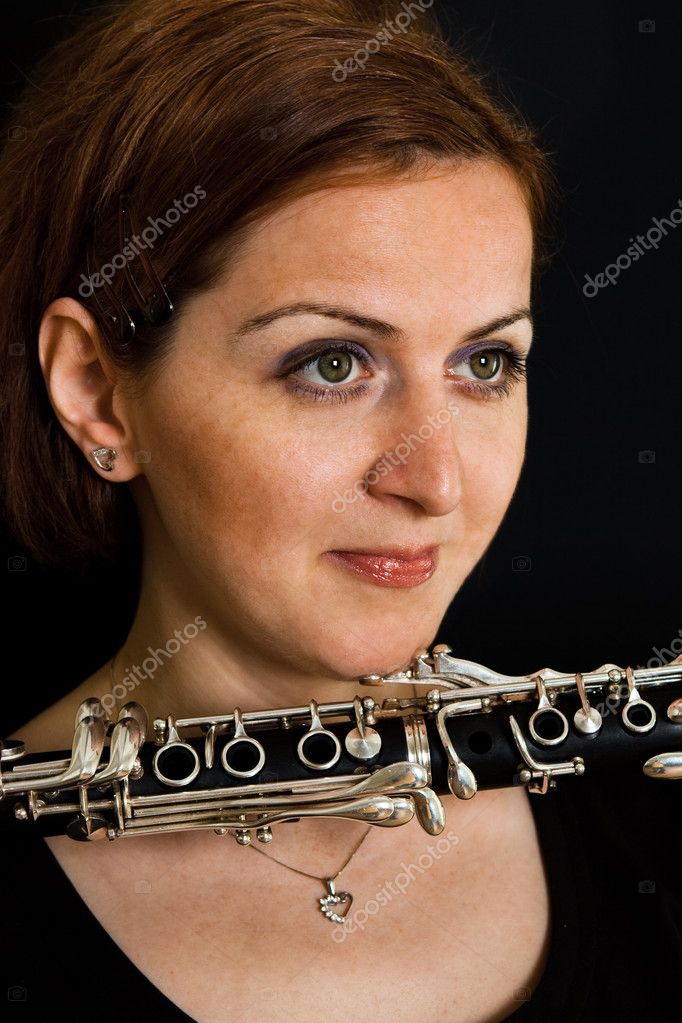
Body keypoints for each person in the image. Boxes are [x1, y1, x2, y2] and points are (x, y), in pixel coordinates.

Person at [4, 2, 678, 1022]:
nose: (436, 483)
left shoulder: (653, 825)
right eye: (331, 364)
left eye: (485, 364)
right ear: (97, 390)